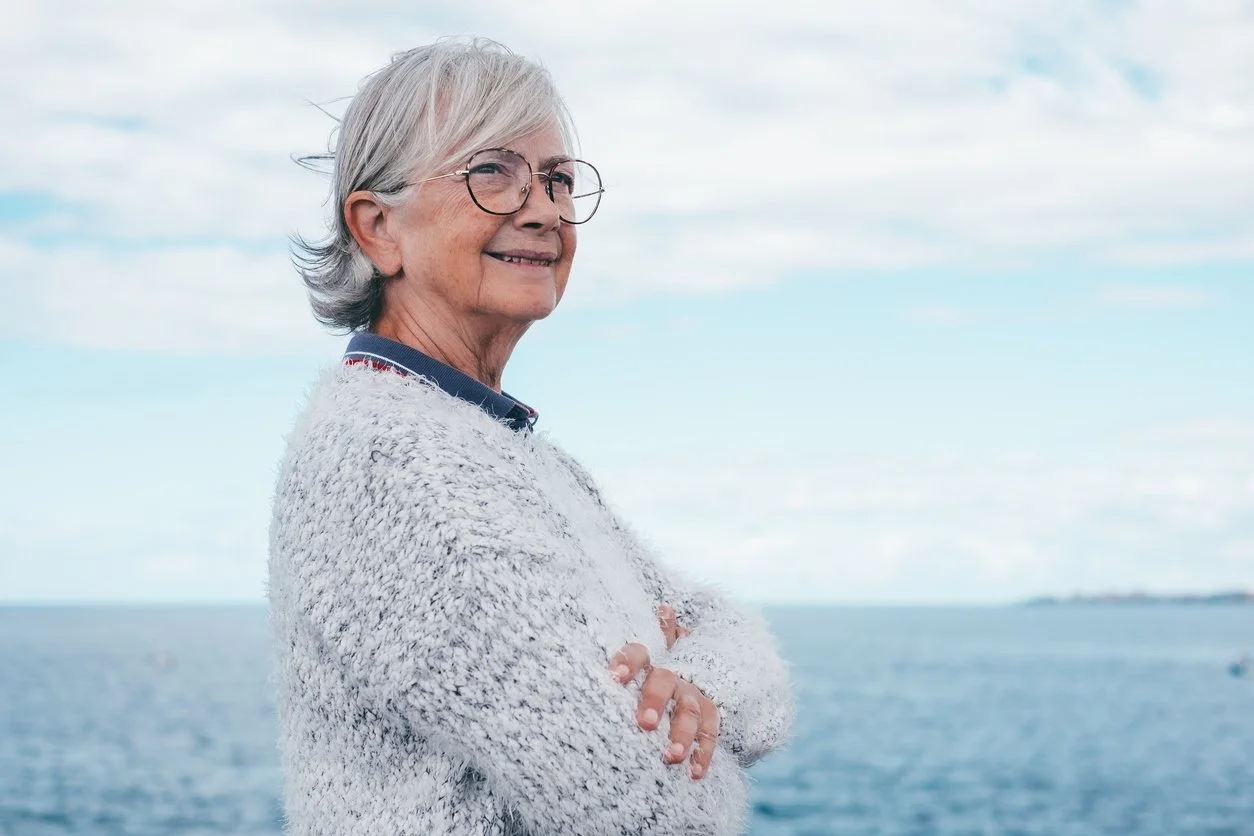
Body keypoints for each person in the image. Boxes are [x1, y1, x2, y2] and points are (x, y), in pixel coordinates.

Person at [268, 38, 794, 835]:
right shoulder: (388, 461)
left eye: (557, 179)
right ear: (378, 229)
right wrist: (669, 673)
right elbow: (666, 810)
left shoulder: (512, 452)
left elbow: (759, 680)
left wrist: (696, 683)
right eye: (492, 171)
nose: (544, 209)